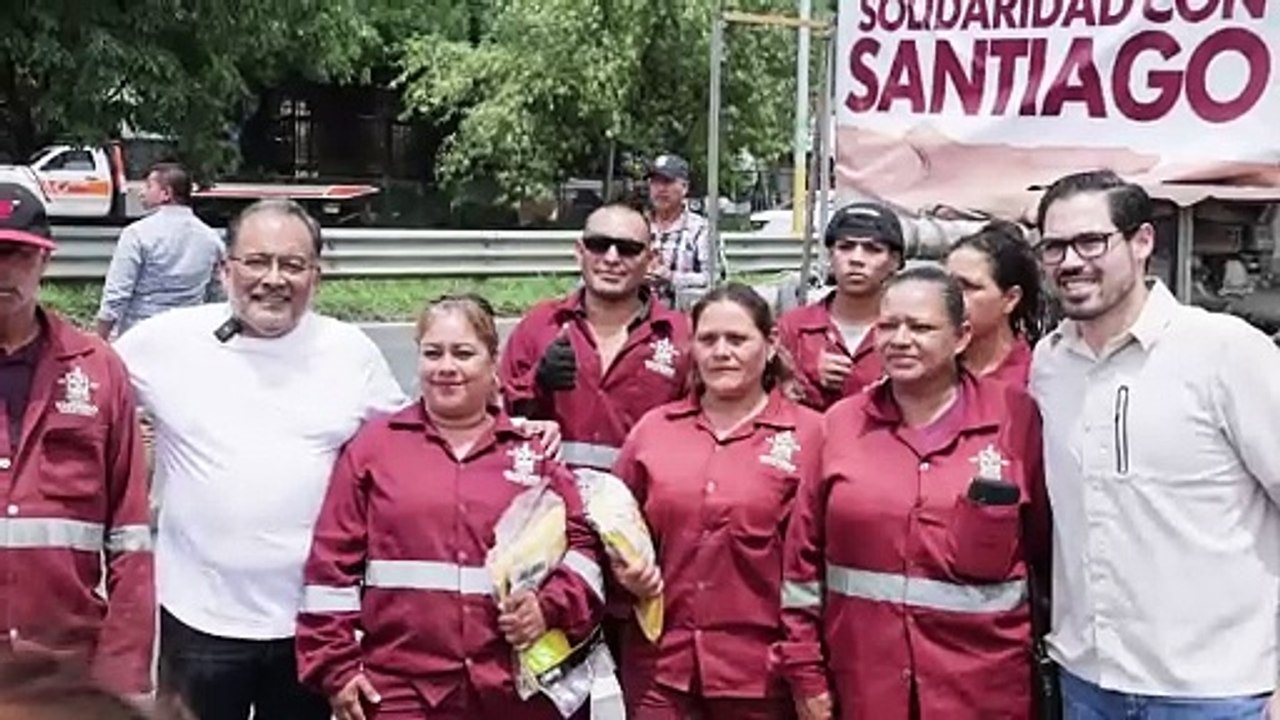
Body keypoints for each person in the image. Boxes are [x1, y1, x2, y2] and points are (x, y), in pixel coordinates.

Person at [112, 199, 407, 720]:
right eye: (257, 261)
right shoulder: (166, 343)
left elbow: (413, 441)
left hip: (312, 624)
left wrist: (512, 427)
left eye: (292, 265)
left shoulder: (350, 352)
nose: (274, 279)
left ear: (316, 276)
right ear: (226, 269)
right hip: (199, 619)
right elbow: (83, 382)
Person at [1030, 170, 1280, 719]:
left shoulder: (1225, 352)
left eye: (1091, 241)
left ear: (1142, 242)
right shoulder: (1049, 365)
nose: (1071, 262)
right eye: (1054, 247)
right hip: (1089, 684)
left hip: (1220, 692)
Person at [297, 294, 605, 720]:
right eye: (432, 353)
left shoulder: (533, 453)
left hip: (514, 687)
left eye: (463, 353)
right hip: (401, 688)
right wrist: (338, 667)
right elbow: (329, 569)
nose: (446, 367)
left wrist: (547, 606)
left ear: (492, 362)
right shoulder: (374, 449)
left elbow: (584, 549)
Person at [778, 266, 1049, 720]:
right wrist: (805, 671)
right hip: (865, 686)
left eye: (921, 327)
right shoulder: (841, 425)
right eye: (888, 326)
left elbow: (1044, 549)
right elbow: (802, 562)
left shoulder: (1015, 418)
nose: (900, 339)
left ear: (961, 337)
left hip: (982, 690)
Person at [610, 283, 823, 720]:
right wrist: (622, 571)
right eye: (708, 340)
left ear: (770, 345)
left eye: (738, 339)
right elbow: (608, 527)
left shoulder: (812, 436)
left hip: (761, 677)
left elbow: (823, 563)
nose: (721, 352)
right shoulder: (654, 431)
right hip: (659, 671)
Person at [0, 183, 153, 698]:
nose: (3, 270)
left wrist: (123, 679)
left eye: (17, 254)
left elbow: (130, 537)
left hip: (64, 672)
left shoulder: (97, 370)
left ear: (44, 260)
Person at [502, 204, 691, 472]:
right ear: (579, 252)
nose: (612, 258)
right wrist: (537, 383)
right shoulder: (539, 326)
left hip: (641, 505)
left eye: (627, 249)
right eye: (599, 245)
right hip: (549, 503)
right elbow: (493, 418)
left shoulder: (681, 337)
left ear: (651, 259)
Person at [777, 201, 903, 411]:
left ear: (895, 261)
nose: (856, 259)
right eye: (845, 247)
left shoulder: (907, 330)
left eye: (873, 249)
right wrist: (806, 375)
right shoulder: (791, 329)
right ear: (829, 256)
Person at [95, 162, 224, 339]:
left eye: (149, 186)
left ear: (166, 194)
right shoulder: (211, 238)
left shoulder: (137, 234)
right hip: (188, 335)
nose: (141, 192)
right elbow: (217, 295)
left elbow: (116, 295)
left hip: (141, 333)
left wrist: (100, 338)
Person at [944, 220, 1044, 387]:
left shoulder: (1037, 379)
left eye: (968, 287)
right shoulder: (928, 366)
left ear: (1011, 299)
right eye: (947, 284)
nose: (951, 297)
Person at [645, 154, 723, 308]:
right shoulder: (637, 226)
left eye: (667, 181)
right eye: (655, 182)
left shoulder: (701, 229)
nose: (660, 189)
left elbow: (714, 279)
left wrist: (671, 278)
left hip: (681, 315)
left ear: (685, 187)